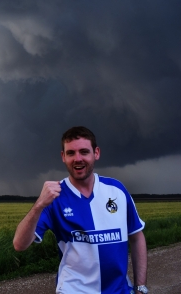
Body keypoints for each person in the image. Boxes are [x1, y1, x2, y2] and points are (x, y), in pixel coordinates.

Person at [13, 126, 148, 294]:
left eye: (84, 152)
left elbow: (137, 237)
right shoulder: (55, 197)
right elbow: (19, 244)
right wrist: (39, 204)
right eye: (71, 153)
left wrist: (140, 287)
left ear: (96, 153)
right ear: (63, 156)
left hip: (119, 290)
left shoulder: (117, 190)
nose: (77, 159)